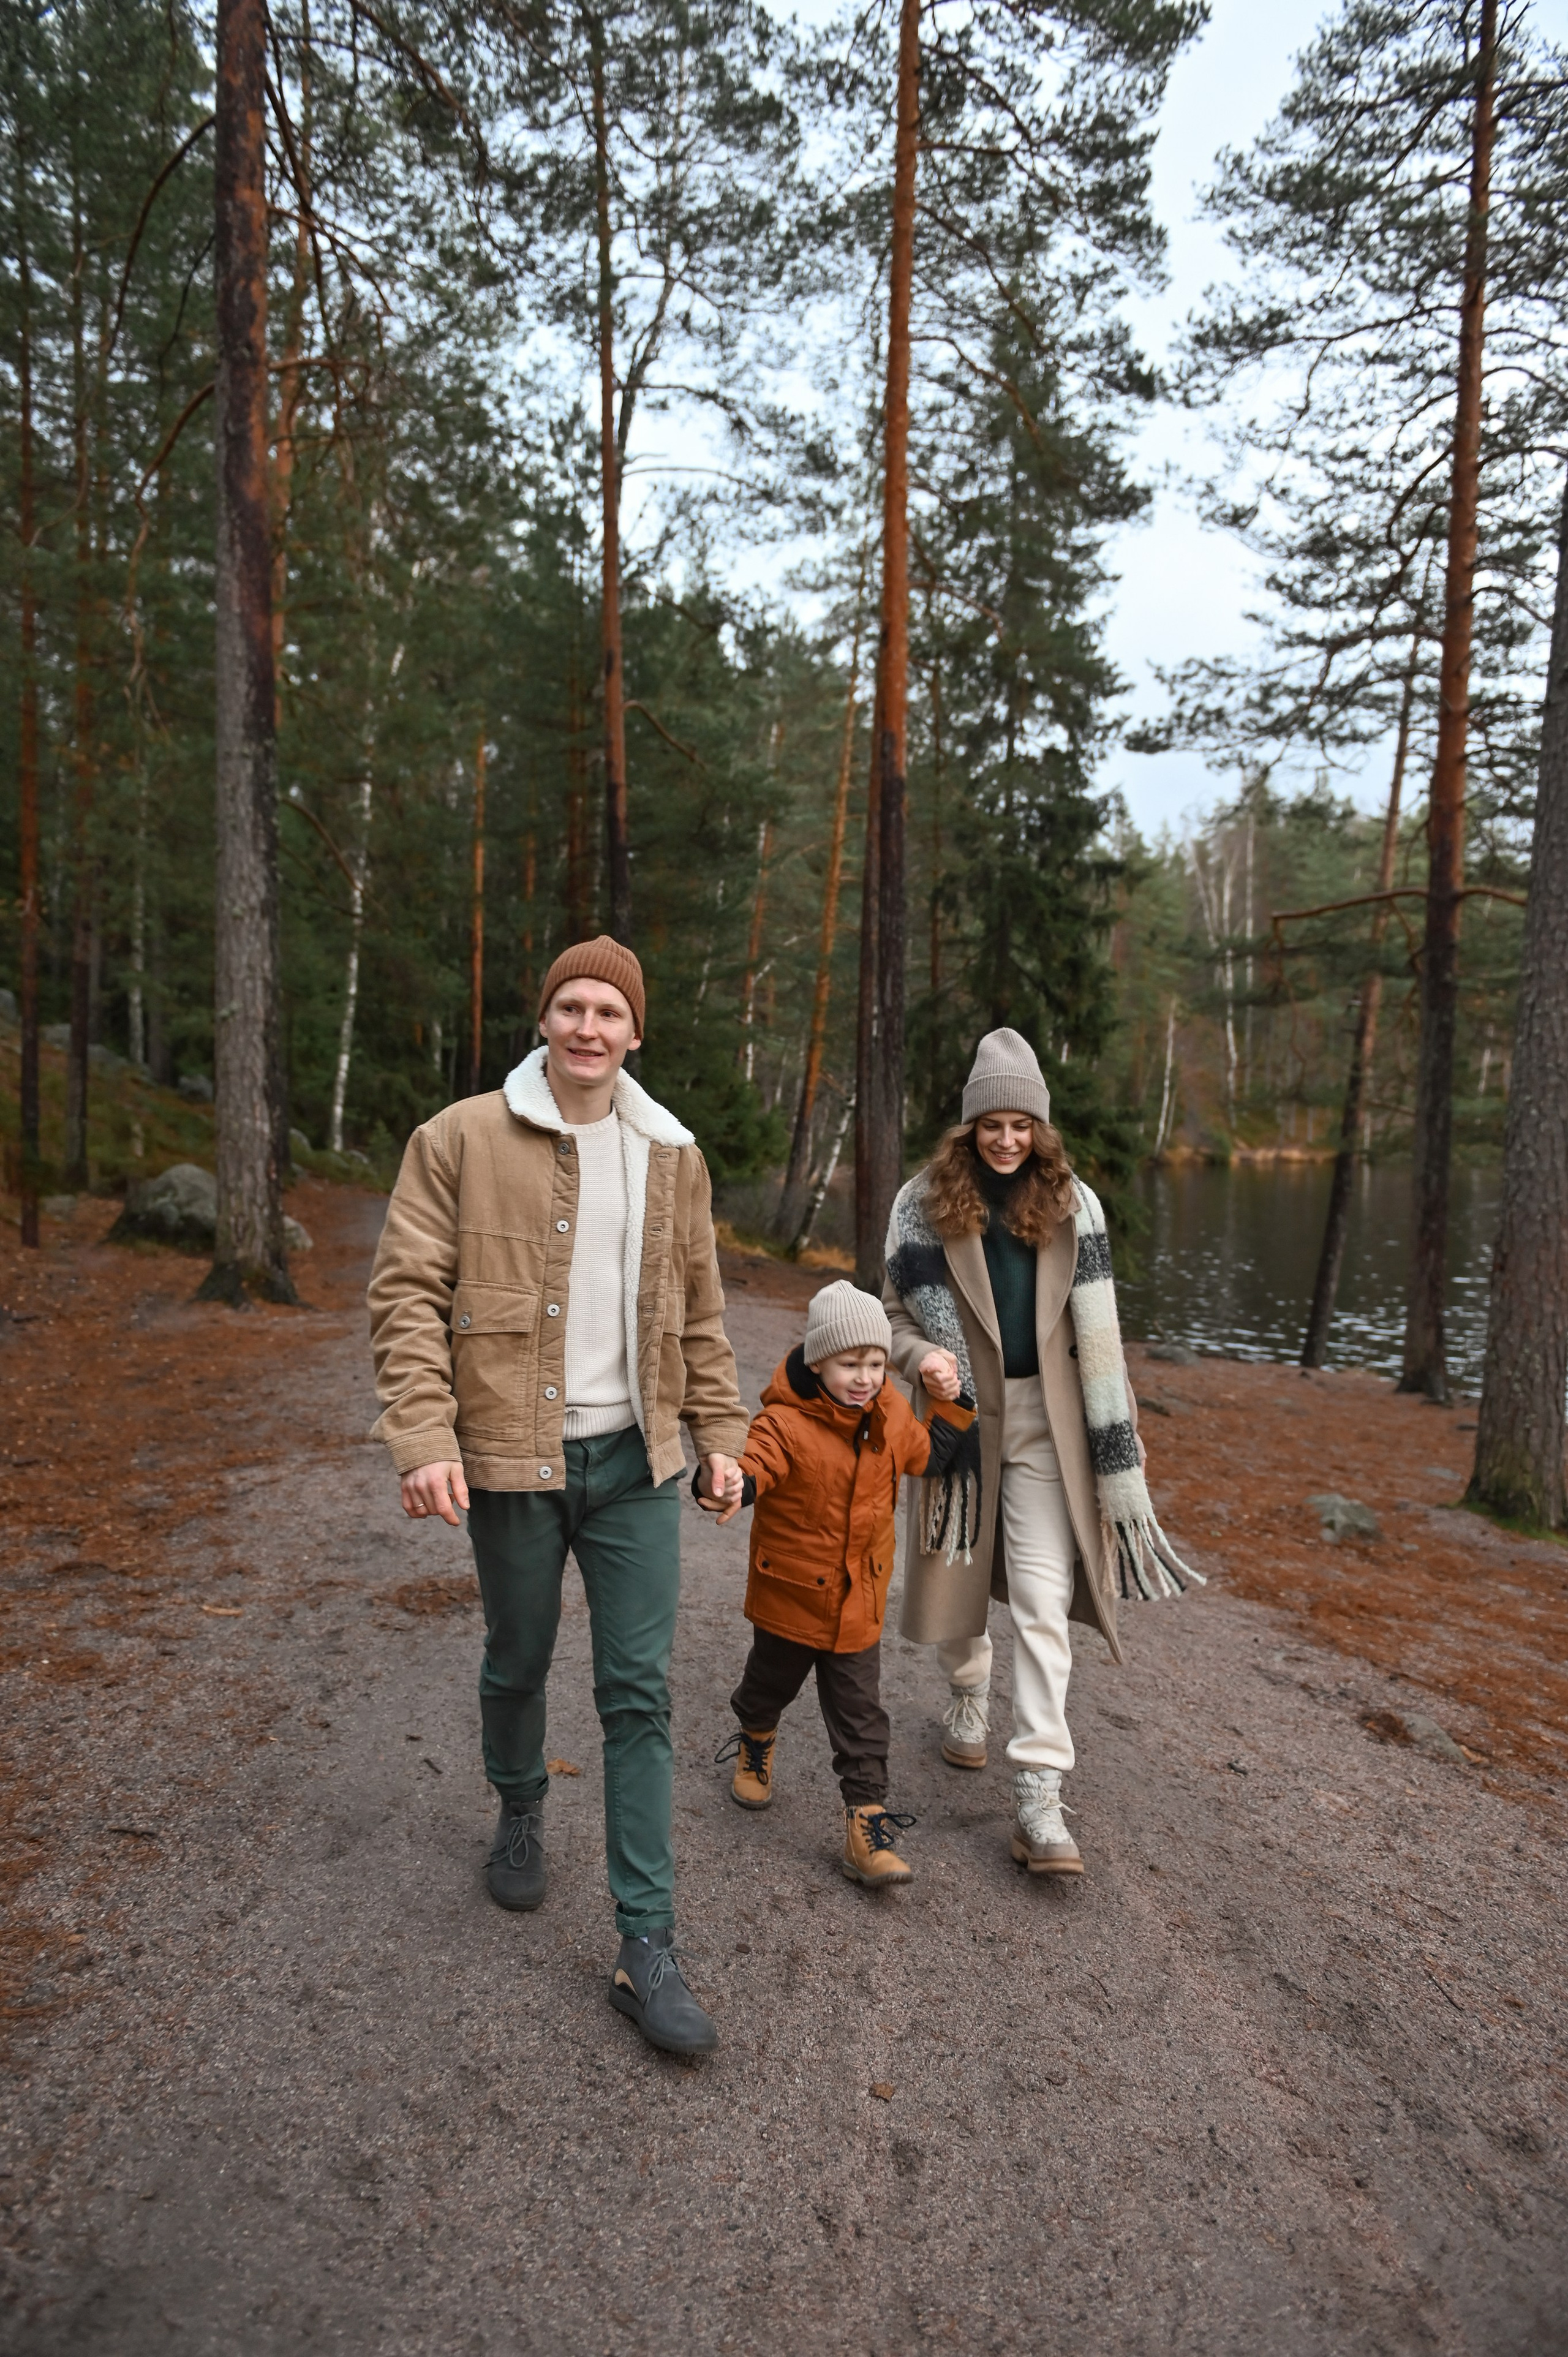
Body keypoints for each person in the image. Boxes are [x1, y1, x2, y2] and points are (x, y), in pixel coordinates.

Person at [366, 937, 749, 2056]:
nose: (589, 1027)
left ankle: (648, 1944)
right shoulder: (458, 1138)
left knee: (639, 1692)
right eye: (572, 1007)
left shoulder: (671, 1154)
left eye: (609, 1012)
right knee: (519, 1656)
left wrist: (721, 1438)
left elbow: (701, 1312)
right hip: (511, 1458)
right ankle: (521, 1802)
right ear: (544, 1020)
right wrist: (423, 1436)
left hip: (635, 1465)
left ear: (636, 1032)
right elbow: (405, 1294)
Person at [883, 1028, 1196, 1877]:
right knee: (954, 1589)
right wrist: (922, 1356)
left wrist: (1118, 1428)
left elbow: (1100, 1332)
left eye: (1021, 1124)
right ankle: (967, 1688)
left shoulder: (1073, 1203)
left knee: (1042, 1602)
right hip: (959, 1422)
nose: (1006, 1139)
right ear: (969, 1128)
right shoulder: (920, 1203)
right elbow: (893, 1313)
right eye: (992, 1124)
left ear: (1039, 1129)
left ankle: (1038, 1794)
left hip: (1050, 1424)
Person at [701, 1281, 975, 1887]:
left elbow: (929, 1455)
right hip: (791, 1597)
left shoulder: (891, 1413)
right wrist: (729, 1484)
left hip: (858, 1602)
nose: (865, 1378)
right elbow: (755, 1463)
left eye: (876, 1363)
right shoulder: (784, 1421)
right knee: (768, 1685)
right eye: (850, 1364)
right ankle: (755, 1737)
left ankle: (865, 1827)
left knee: (861, 1718)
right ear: (818, 1361)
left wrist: (951, 1402)